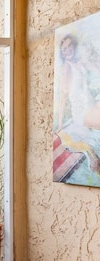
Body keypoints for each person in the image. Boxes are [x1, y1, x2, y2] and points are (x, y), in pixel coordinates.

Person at [54, 34, 100, 176]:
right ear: (62, 53)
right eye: (64, 49)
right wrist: (60, 124)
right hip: (82, 112)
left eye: (69, 46)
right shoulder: (66, 69)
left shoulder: (80, 63)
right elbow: (62, 98)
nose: (67, 50)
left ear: (74, 46)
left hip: (92, 105)